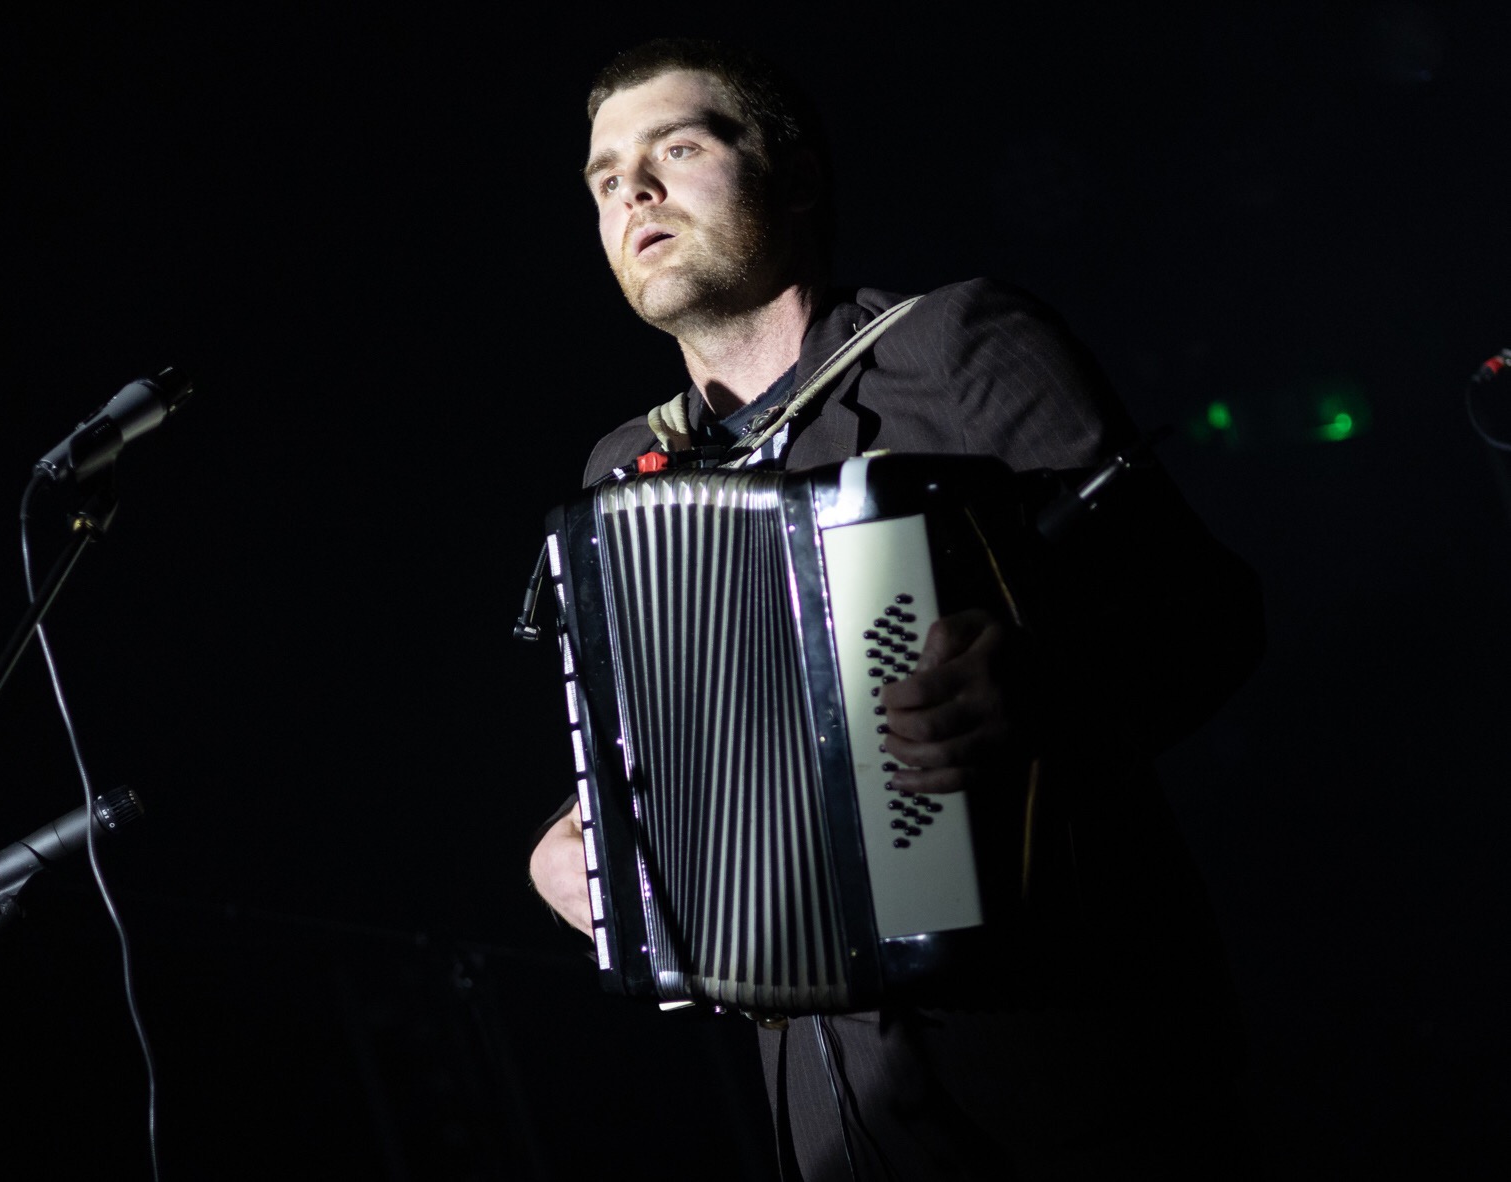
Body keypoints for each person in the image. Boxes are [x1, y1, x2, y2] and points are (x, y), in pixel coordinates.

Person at [528, 38, 1265, 1180]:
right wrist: (583, 854)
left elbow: (1205, 614)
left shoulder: (955, 345)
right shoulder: (623, 474)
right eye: (605, 176)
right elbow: (671, 756)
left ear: (794, 175)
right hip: (832, 1118)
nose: (634, 191)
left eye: (676, 150)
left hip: (1067, 1074)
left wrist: (1039, 684)